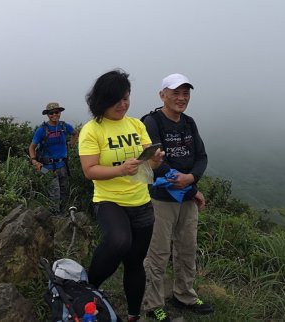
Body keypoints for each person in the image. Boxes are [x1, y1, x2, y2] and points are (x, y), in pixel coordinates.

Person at [78, 70, 164, 322]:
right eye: (116, 99)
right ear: (101, 100)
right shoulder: (92, 130)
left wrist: (155, 159)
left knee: (135, 262)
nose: (122, 104)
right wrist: (120, 169)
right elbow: (89, 170)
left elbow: (150, 166)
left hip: (141, 201)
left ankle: (134, 314)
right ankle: (89, 285)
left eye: (126, 98)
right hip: (109, 200)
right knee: (119, 242)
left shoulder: (137, 125)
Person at [142, 73, 212, 321]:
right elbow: (155, 163)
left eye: (186, 93)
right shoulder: (151, 122)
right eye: (175, 93)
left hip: (186, 199)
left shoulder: (189, 123)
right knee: (158, 252)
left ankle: (184, 295)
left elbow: (201, 157)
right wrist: (190, 188)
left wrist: (191, 180)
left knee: (187, 248)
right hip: (161, 198)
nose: (181, 98)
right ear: (162, 95)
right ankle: (153, 304)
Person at [28, 102, 77, 214]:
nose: (54, 114)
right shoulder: (42, 130)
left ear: (60, 113)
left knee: (64, 192)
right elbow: (32, 147)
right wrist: (34, 161)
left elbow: (75, 133)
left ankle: (64, 216)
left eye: (57, 112)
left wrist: (71, 144)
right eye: (51, 113)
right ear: (47, 115)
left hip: (63, 165)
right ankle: (55, 218)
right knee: (54, 194)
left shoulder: (64, 126)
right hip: (46, 167)